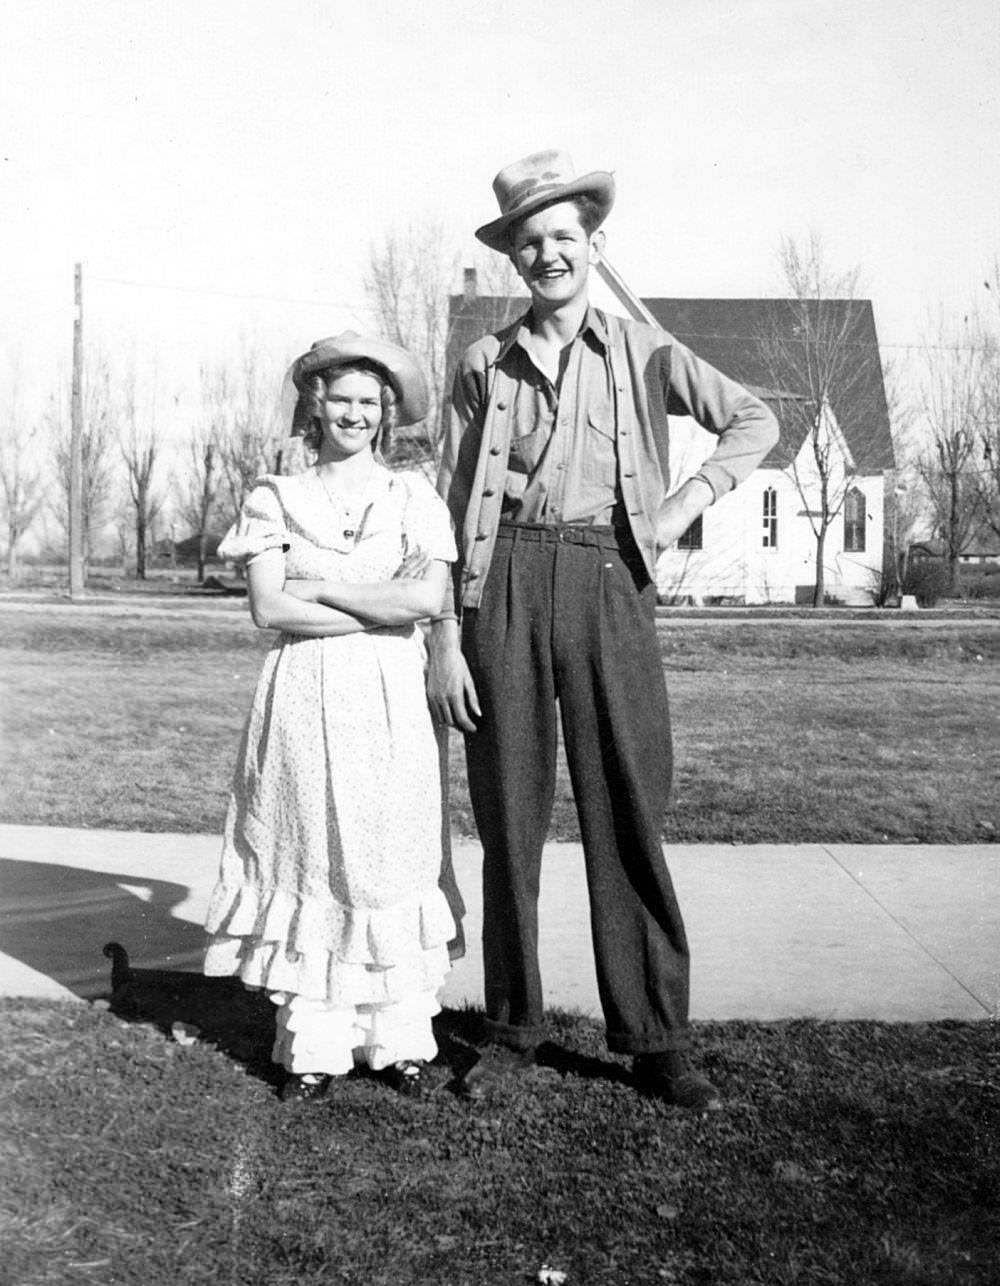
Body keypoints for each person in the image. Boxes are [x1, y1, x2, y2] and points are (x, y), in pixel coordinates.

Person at [427, 151, 780, 1110]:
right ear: (514, 258)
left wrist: (677, 511)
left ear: (594, 245)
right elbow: (449, 505)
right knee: (507, 813)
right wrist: (447, 636)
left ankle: (657, 1038)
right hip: (501, 588)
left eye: (563, 238)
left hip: (608, 579)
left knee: (627, 804)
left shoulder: (645, 350)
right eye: (530, 242)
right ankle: (511, 1026)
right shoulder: (481, 365)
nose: (548, 254)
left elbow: (752, 422)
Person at [204, 332, 462, 1102]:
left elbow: (426, 600)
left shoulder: (413, 495)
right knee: (311, 845)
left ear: (386, 415)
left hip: (389, 694)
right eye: (340, 399)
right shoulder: (275, 497)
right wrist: (373, 607)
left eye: (369, 403)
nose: (354, 414)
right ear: (316, 407)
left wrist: (318, 591)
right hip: (305, 692)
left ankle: (398, 1042)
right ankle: (314, 1047)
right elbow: (266, 607)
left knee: (387, 850)